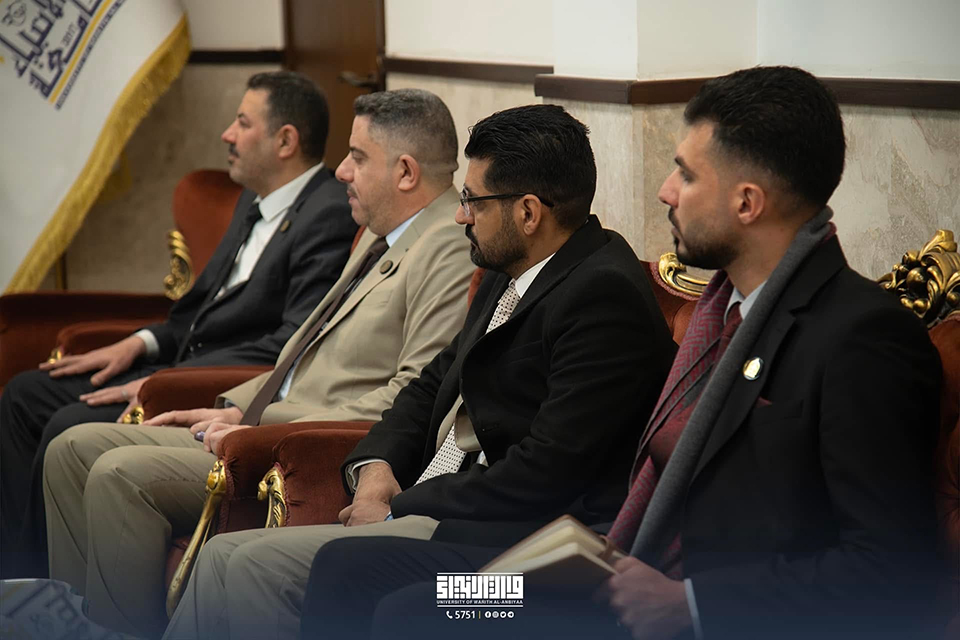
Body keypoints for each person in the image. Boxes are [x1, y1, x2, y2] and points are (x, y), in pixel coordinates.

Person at [298, 66, 943, 640]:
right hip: (598, 577)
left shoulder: (861, 338)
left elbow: (891, 571)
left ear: (747, 203)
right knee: (360, 573)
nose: (665, 190)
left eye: (687, 174)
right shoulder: (726, 313)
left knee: (424, 609)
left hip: (672, 603)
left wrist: (693, 605)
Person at [160, 104, 676, 640]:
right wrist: (377, 468)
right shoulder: (513, 269)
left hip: (527, 556)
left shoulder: (602, 296)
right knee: (224, 554)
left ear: (528, 213)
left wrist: (397, 506)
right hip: (454, 514)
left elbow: (546, 472)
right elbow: (429, 385)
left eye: (472, 201)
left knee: (269, 565)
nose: (460, 216)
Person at [42, 88, 476, 639]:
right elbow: (302, 351)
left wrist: (258, 427)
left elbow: (410, 395)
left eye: (357, 157)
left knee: (116, 473)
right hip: (264, 422)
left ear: (406, 172)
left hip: (302, 442)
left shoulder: (446, 247)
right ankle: (72, 623)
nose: (341, 171)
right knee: (71, 448)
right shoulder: (382, 234)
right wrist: (231, 407)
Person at [0, 70, 358, 580]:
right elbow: (198, 310)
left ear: (285, 141)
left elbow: (288, 346)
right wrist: (139, 343)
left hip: (210, 382)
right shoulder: (253, 198)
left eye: (242, 123)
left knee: (66, 425)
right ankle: (19, 573)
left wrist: (162, 380)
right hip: (176, 365)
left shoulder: (327, 213)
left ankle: (51, 584)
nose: (227, 134)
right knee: (24, 394)